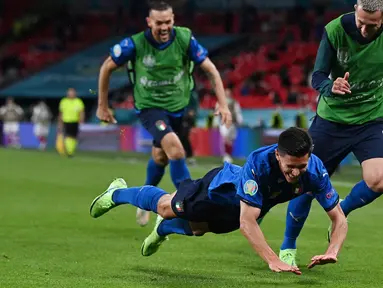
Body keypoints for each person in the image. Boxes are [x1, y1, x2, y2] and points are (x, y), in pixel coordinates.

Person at [90, 127, 348, 274]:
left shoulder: (314, 171)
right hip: (218, 190)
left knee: (198, 229)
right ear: (278, 156)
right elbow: (247, 223)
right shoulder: (259, 163)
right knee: (167, 207)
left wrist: (332, 251)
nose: (296, 173)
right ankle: (116, 193)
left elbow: (338, 217)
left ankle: (162, 230)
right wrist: (273, 259)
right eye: (291, 166)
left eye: (301, 167)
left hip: (247, 207)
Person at [96, 1, 232, 227]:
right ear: (149, 22)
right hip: (150, 108)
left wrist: (223, 103)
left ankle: (143, 201)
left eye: (168, 22)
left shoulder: (184, 39)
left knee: (160, 157)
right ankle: (188, 201)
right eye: (159, 23)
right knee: (176, 150)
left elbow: (210, 69)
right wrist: (102, 104)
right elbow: (106, 67)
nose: (164, 27)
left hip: (179, 107)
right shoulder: (135, 44)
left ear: (173, 20)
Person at [279, 0, 383, 266]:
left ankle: (342, 211)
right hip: (332, 121)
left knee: (379, 179)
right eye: (360, 22)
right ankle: (288, 246)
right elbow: (317, 76)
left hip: (371, 120)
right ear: (355, 10)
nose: (363, 30)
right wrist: (330, 85)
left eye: (371, 25)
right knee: (304, 184)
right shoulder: (335, 30)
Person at [215, 88, 243, 163]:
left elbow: (237, 111)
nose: (227, 94)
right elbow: (217, 112)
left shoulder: (234, 102)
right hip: (223, 122)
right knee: (226, 138)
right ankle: (226, 155)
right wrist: (216, 122)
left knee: (231, 140)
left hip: (232, 122)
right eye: (226, 93)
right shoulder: (220, 102)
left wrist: (239, 120)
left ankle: (229, 155)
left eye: (228, 93)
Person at [58, 88, 85, 157]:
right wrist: (60, 122)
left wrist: (81, 120)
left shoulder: (78, 101)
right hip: (66, 121)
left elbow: (81, 112)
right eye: (69, 92)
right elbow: (61, 113)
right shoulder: (64, 101)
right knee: (67, 136)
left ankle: (71, 150)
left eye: (72, 92)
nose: (71, 94)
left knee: (74, 137)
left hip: (75, 121)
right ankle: (69, 150)